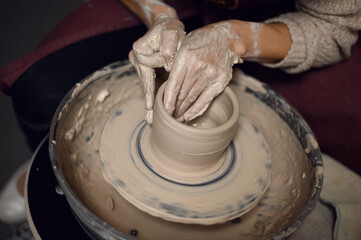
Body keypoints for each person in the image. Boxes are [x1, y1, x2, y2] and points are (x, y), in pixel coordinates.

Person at [0, 0, 360, 232]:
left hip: (279, 17)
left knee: (340, 129)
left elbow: (332, 27)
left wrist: (235, 39)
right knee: (43, 83)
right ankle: (43, 162)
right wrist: (160, 16)